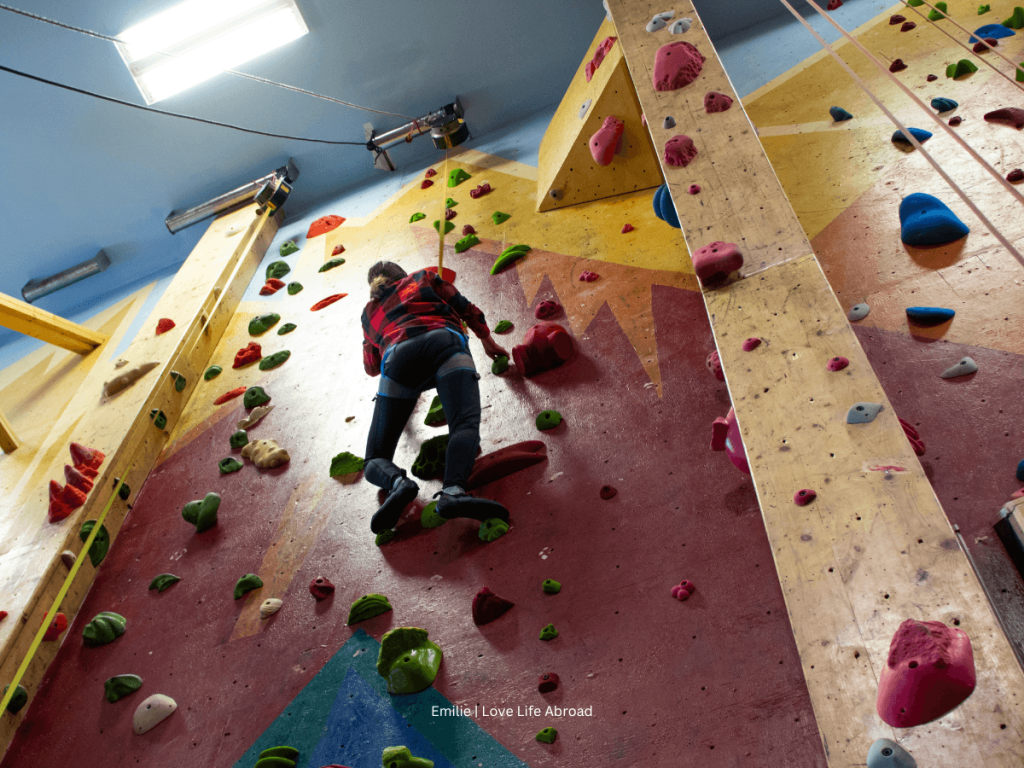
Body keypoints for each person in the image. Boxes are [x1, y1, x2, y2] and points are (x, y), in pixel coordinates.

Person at [361, 261, 511, 534]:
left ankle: (398, 484)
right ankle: (453, 492)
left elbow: (371, 368)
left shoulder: (368, 313)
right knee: (463, 425)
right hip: (444, 342)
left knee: (374, 457)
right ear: (402, 276)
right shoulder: (423, 278)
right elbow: (467, 308)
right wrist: (488, 341)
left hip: (397, 362)